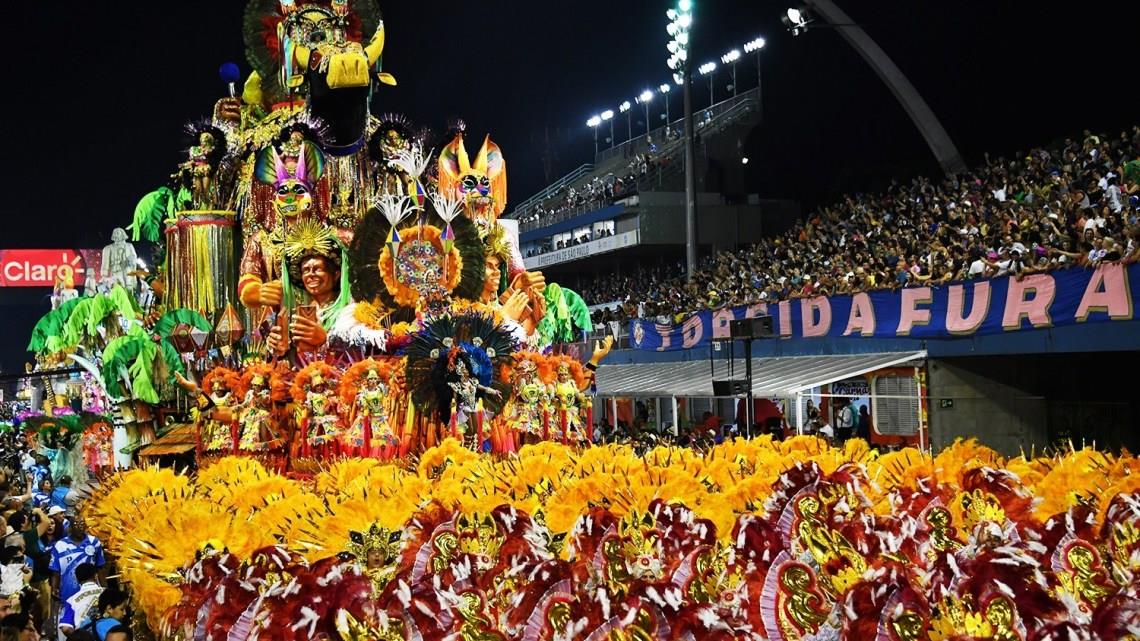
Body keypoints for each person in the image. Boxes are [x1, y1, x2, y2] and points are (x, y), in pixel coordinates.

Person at [48, 520, 105, 608]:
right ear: (70, 527)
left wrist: (104, 587)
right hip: (68, 593)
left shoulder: (94, 542)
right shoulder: (60, 545)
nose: (80, 526)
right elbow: (55, 571)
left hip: (92, 594)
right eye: (76, 524)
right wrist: (54, 588)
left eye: (82, 524)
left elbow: (100, 567)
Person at [57, 564, 101, 640]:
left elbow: (66, 628)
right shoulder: (109, 593)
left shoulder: (71, 601)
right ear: (96, 576)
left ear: (77, 579)